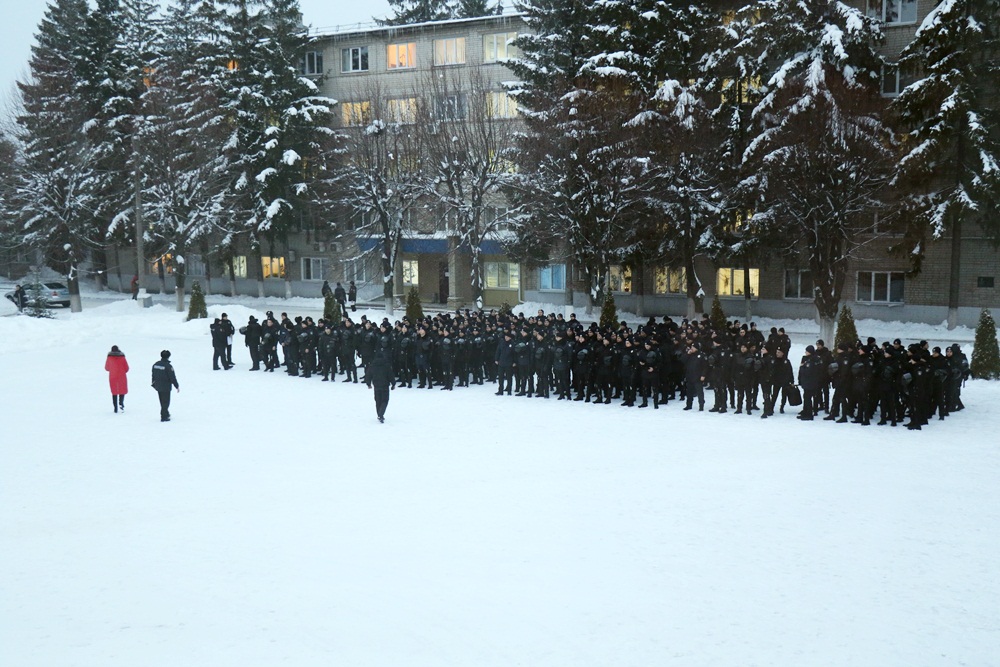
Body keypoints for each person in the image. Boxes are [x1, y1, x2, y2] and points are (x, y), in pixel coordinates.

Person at [151, 350, 180, 422]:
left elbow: (153, 375)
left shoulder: (155, 364)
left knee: (162, 400)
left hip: (158, 385)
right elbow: (172, 377)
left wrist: (153, 383)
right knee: (166, 402)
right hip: (166, 386)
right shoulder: (168, 366)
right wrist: (176, 386)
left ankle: (166, 413)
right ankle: (164, 416)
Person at [368, 346, 395, 423]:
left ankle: (379, 414)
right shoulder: (386, 365)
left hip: (376, 385)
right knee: (385, 400)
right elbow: (390, 375)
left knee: (377, 400)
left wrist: (368, 383)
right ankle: (381, 413)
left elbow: (368, 375)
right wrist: (393, 384)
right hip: (385, 385)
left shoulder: (372, 365)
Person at [105, 345, 129, 413]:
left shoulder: (109, 358)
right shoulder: (122, 357)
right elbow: (126, 368)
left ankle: (115, 408)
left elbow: (107, 368)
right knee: (122, 390)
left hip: (113, 376)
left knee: (114, 392)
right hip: (122, 376)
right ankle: (121, 404)